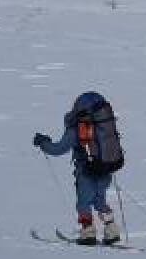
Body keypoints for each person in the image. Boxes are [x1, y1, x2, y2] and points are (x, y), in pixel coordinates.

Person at [32, 91, 122, 244]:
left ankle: (88, 233)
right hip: (106, 169)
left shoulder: (78, 128)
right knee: (100, 200)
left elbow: (58, 149)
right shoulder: (104, 125)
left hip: (86, 172)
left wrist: (43, 143)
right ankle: (112, 230)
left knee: (83, 202)